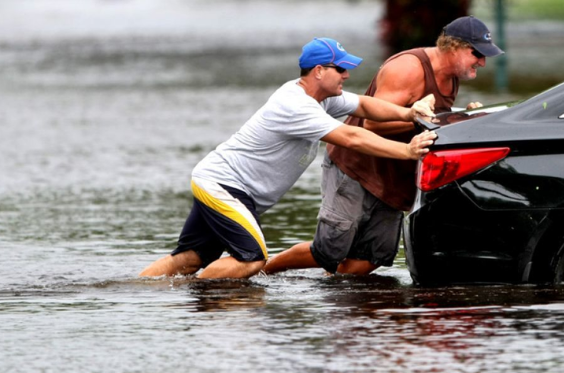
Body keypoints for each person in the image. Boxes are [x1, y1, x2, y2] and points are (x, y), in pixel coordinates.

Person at [139, 37, 437, 279]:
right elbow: (352, 137)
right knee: (252, 260)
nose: (347, 75)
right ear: (319, 71)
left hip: (220, 183)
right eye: (341, 69)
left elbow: (365, 106)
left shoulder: (320, 98)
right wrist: (406, 151)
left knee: (191, 259)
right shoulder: (296, 105)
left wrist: (408, 113)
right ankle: (196, 302)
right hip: (223, 185)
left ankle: (136, 291)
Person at [264, 16, 504, 277]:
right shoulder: (408, 68)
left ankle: (333, 300)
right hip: (356, 167)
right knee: (329, 250)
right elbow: (372, 125)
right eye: (477, 53)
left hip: (393, 173)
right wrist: (437, 121)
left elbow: (433, 120)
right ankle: (263, 270)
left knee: (372, 257)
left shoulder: (452, 74)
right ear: (453, 47)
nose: (482, 61)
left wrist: (462, 118)